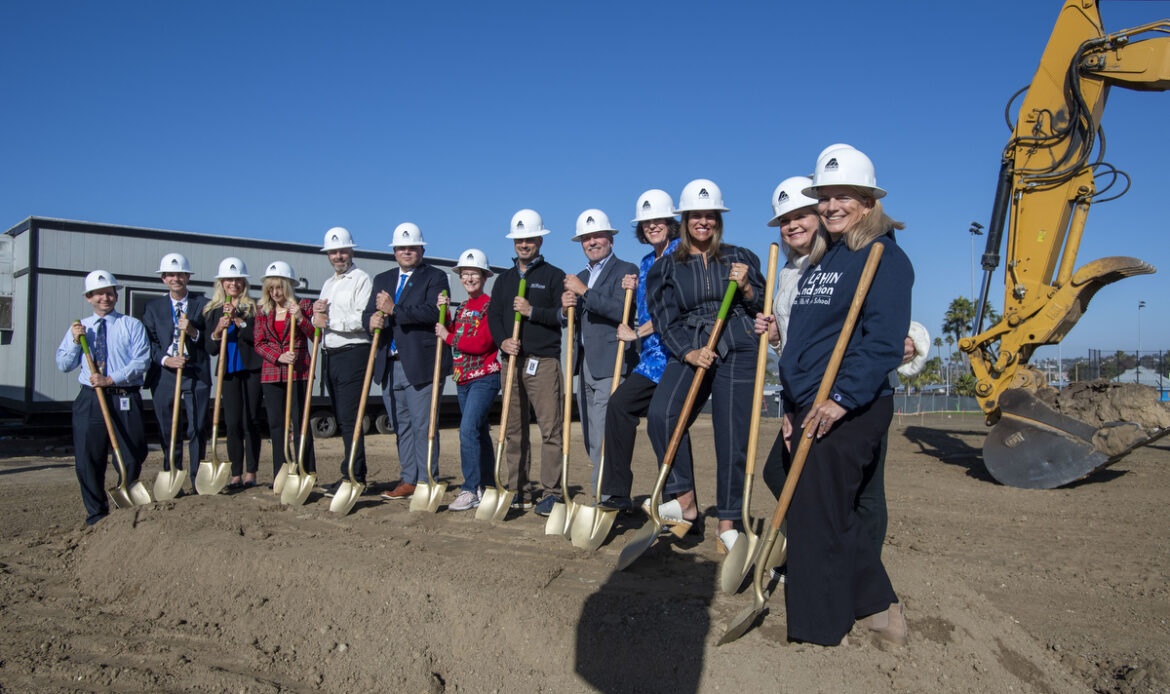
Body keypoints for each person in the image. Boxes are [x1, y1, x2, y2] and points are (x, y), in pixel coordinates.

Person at [775, 145, 912, 646]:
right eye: (825, 198)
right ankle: (873, 598)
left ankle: (823, 626)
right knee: (794, 484)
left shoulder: (884, 258)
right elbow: (804, 340)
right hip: (807, 403)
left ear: (868, 201)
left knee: (817, 506)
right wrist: (792, 407)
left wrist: (840, 399)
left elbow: (881, 342)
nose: (832, 206)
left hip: (852, 406)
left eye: (844, 198)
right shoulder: (826, 256)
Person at [755, 171, 928, 563]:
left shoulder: (858, 255)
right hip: (808, 396)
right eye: (785, 220)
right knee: (790, 477)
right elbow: (805, 342)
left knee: (863, 492)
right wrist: (778, 338)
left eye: (801, 214)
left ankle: (858, 572)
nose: (793, 225)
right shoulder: (789, 274)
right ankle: (829, 556)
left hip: (858, 393)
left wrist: (912, 342)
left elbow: (889, 322)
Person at [645, 179, 764, 552]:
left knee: (731, 435)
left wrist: (746, 288)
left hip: (738, 344)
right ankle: (686, 501)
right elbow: (664, 319)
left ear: (718, 219)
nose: (703, 222)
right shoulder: (665, 268)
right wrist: (687, 352)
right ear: (684, 219)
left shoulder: (739, 256)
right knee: (662, 415)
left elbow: (762, 305)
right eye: (695, 215)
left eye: (709, 215)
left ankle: (727, 522)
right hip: (693, 345)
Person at [599, 190, 689, 513]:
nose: (652, 226)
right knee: (619, 407)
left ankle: (681, 503)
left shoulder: (682, 256)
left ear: (670, 222)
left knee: (663, 420)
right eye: (647, 222)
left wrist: (636, 332)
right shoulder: (647, 261)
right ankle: (617, 493)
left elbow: (673, 310)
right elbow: (648, 309)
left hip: (677, 357)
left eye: (658, 220)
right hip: (652, 360)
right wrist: (635, 289)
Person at [485, 209, 567, 516]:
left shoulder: (553, 276)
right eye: (520, 239)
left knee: (550, 429)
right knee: (513, 429)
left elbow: (562, 316)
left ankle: (552, 491)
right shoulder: (504, 280)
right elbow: (494, 316)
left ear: (540, 240)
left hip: (542, 362)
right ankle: (517, 488)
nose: (524, 244)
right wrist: (503, 341)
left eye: (530, 239)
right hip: (511, 361)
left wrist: (533, 312)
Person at [55, 270, 150, 525]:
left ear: (115, 295)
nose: (105, 298)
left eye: (109, 293)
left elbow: (141, 362)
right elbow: (63, 364)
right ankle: (96, 514)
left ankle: (127, 502)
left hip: (123, 396)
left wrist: (110, 379)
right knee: (88, 458)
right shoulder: (80, 329)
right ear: (89, 297)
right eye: (99, 294)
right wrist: (76, 342)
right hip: (90, 399)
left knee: (132, 453)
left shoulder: (131, 325)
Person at [363, 223, 450, 501]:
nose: (407, 251)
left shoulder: (435, 277)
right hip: (388, 364)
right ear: (394, 251)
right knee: (400, 425)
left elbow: (432, 312)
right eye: (401, 248)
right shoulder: (382, 279)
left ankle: (426, 480)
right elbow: (369, 312)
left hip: (420, 363)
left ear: (422, 249)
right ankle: (409, 478)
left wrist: (395, 310)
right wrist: (371, 320)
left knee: (423, 424)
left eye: (412, 247)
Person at [560, 209, 639, 502]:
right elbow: (568, 319)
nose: (592, 242)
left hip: (613, 362)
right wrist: (566, 305)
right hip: (585, 366)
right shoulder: (580, 276)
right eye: (586, 238)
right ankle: (616, 493)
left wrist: (583, 292)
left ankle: (603, 497)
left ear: (610, 239)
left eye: (597, 236)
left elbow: (622, 311)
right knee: (593, 439)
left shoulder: (626, 270)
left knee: (606, 435)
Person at [435, 249, 500, 511]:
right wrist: (445, 315)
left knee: (467, 429)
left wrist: (447, 336)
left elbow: (483, 342)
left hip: (484, 377)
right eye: (465, 274)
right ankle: (487, 485)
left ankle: (469, 489)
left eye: (474, 273)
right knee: (479, 432)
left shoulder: (490, 305)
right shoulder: (461, 307)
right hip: (462, 378)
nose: (469, 278)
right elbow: (453, 333)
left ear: (484, 276)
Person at [141, 252, 210, 493]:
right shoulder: (153, 308)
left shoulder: (203, 304)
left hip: (196, 372)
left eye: (180, 274)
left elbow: (211, 342)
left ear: (188, 277)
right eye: (170, 275)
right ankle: (172, 474)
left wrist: (193, 331)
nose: (176, 278)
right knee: (169, 427)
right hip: (166, 374)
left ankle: (196, 479)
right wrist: (166, 360)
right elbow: (148, 343)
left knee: (197, 428)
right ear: (163, 279)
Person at [312, 227, 373, 496]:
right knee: (341, 417)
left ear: (351, 251)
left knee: (351, 418)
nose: (338, 256)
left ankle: (355, 476)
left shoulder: (361, 279)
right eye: (333, 252)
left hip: (354, 353)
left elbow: (362, 320)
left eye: (342, 251)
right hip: (331, 355)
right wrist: (317, 314)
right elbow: (322, 318)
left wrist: (330, 321)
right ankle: (348, 472)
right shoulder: (328, 283)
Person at [204, 257, 263, 489]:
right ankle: (235, 472)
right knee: (233, 422)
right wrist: (219, 329)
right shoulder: (212, 311)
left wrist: (238, 320)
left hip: (250, 369)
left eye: (238, 280)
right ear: (221, 283)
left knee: (251, 421)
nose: (234, 284)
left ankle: (251, 472)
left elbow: (257, 339)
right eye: (229, 280)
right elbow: (210, 348)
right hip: (228, 371)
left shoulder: (255, 308)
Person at [254, 261, 317, 481]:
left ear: (289, 286)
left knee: (301, 422)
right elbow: (259, 343)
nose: (275, 292)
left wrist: (300, 318)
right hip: (272, 373)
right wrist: (278, 356)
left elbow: (314, 335)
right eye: (271, 288)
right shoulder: (263, 312)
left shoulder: (305, 306)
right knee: (276, 424)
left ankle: (307, 470)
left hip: (299, 372)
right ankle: (281, 472)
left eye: (279, 287)